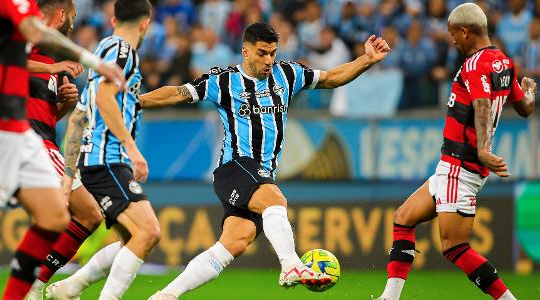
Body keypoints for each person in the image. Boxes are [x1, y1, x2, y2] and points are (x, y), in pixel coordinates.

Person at [138, 22, 390, 299]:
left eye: (272, 53)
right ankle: (291, 265)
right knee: (276, 201)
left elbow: (331, 77)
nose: (269, 60)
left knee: (232, 244)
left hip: (261, 173)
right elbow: (175, 92)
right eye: (262, 53)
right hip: (235, 168)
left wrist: (367, 59)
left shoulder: (288, 73)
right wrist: (135, 101)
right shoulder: (222, 81)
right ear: (245, 51)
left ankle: (165, 295)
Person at [0, 0, 124, 297]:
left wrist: (63, 91)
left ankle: (27, 291)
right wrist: (94, 61)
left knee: (54, 217)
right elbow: (33, 30)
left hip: (16, 128)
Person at [375, 3, 536, 300]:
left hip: (461, 164)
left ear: (465, 31)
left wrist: (484, 149)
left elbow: (483, 106)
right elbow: (524, 108)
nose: (452, 40)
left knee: (455, 247)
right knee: (403, 218)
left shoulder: (475, 66)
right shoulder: (504, 62)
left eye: (453, 34)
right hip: (451, 165)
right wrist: (529, 93)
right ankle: (389, 297)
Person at [41, 1, 160, 299]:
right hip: (107, 159)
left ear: (113, 17)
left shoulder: (103, 51)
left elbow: (80, 115)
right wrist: (133, 150)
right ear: (146, 24)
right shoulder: (121, 51)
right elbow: (106, 99)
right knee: (148, 232)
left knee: (134, 236)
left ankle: (69, 288)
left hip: (95, 160)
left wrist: (69, 175)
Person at [23, 0, 105, 299]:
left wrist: (65, 103)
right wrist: (51, 66)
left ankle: (33, 282)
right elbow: (4, 63)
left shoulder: (54, 63)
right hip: (28, 142)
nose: (73, 23)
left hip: (42, 139)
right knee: (88, 214)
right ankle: (35, 282)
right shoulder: (29, 40)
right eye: (71, 17)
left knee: (78, 216)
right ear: (61, 16)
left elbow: (47, 117)